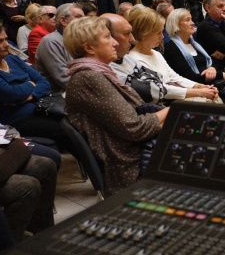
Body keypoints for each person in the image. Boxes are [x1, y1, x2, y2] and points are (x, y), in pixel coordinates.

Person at [64, 16, 167, 197]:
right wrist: (174, 111)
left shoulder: (99, 72)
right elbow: (133, 127)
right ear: (89, 47)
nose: (114, 43)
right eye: (107, 37)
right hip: (129, 164)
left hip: (134, 152)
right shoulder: (89, 77)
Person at [0, 82, 59, 243]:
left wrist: (7, 134)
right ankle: (12, 245)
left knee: (45, 165)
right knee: (26, 186)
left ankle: (44, 233)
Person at [0, 21, 70, 150]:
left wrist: (29, 96)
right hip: (17, 118)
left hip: (41, 107)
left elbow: (44, 82)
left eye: (6, 39)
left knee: (76, 124)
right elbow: (11, 94)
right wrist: (30, 84)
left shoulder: (12, 59)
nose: (6, 45)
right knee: (67, 130)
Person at [122, 7, 219, 104]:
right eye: (158, 33)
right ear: (144, 34)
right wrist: (197, 92)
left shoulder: (156, 53)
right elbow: (161, 89)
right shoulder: (134, 59)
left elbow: (174, 77)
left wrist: (198, 86)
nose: (162, 36)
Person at [35, 3, 85, 92]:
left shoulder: (78, 40)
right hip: (58, 95)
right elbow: (64, 79)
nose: (83, 22)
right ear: (63, 21)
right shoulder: (50, 41)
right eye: (78, 18)